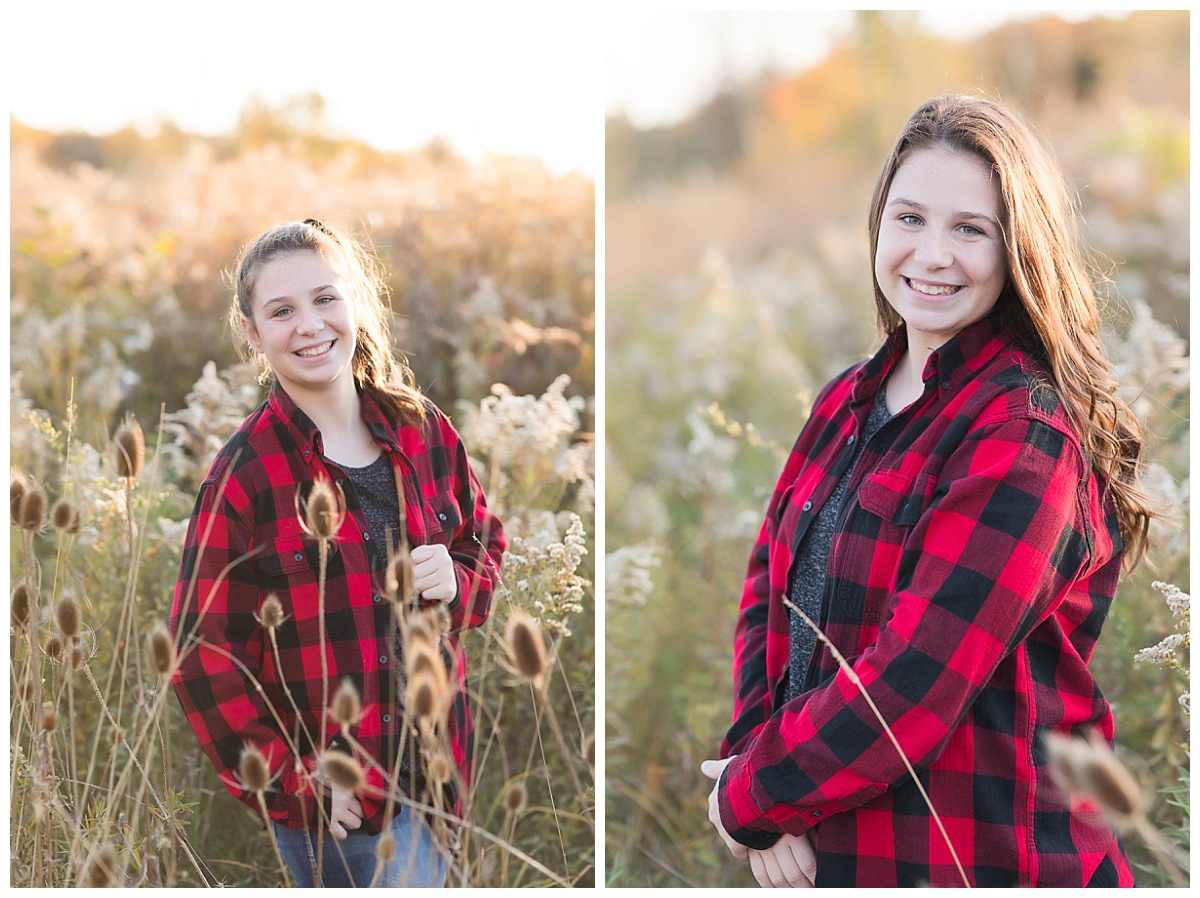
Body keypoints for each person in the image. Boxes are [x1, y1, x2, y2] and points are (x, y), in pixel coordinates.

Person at [701, 95, 1153, 888]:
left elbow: (914, 680)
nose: (933, 254)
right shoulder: (847, 399)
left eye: (971, 230)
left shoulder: (1024, 434)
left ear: (1019, 250)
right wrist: (754, 771)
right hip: (837, 847)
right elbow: (769, 591)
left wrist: (754, 795)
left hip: (976, 859)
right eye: (910, 218)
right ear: (879, 224)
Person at [169, 219, 506, 887]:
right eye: (281, 311)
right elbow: (201, 655)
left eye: (325, 298)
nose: (309, 325)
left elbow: (483, 542)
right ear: (252, 333)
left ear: (355, 302)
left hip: (440, 778)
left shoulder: (423, 431)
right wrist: (292, 782)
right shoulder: (245, 475)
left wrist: (459, 581)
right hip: (344, 812)